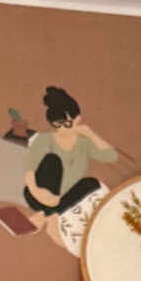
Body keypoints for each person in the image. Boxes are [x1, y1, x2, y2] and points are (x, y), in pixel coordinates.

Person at [21, 85, 118, 232]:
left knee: (91, 183)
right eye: (57, 125)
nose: (63, 129)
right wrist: (38, 192)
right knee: (52, 160)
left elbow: (111, 157)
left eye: (67, 123)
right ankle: (45, 213)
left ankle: (45, 217)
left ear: (77, 119)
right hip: (39, 194)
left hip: (64, 199)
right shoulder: (44, 140)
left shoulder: (84, 144)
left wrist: (90, 133)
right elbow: (29, 173)